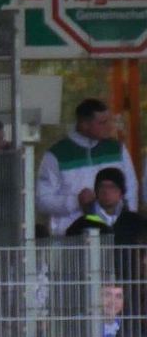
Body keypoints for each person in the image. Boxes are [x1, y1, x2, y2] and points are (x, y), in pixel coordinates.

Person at [37, 98, 138, 237]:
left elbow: (130, 189)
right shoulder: (56, 155)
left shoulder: (117, 149)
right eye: (102, 123)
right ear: (84, 124)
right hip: (71, 237)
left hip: (115, 234)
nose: (108, 127)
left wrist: (129, 224)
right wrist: (75, 201)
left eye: (108, 121)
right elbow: (42, 200)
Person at [64, 166, 147, 242]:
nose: (106, 191)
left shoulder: (138, 223)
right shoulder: (80, 226)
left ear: (121, 193)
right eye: (102, 187)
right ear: (96, 192)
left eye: (112, 187)